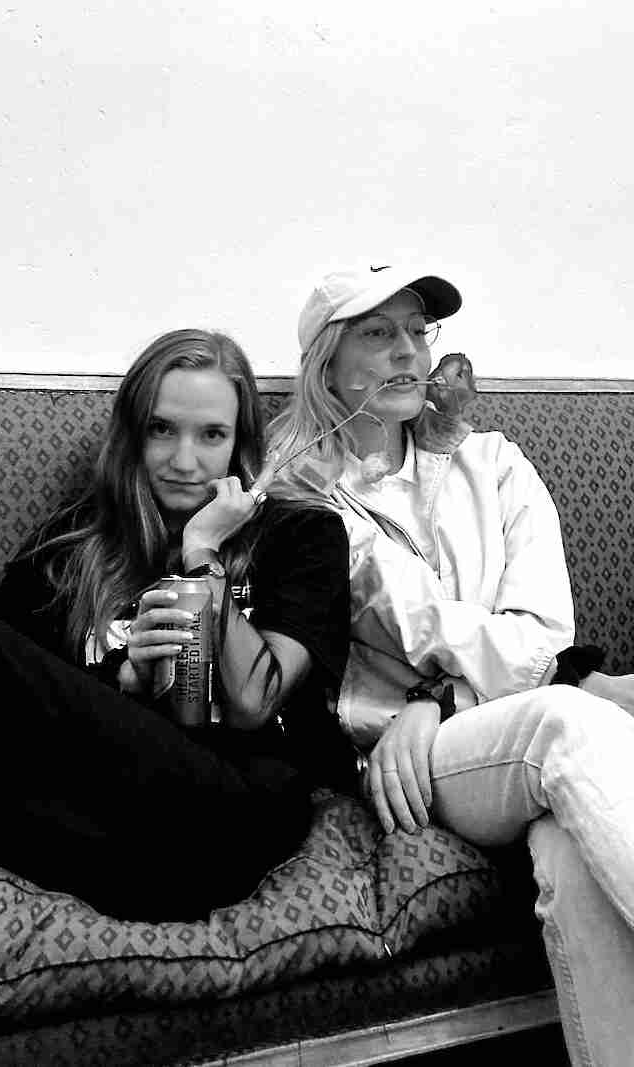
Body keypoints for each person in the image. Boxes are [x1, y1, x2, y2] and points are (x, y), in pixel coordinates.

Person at [0, 329, 354, 921]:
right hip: (88, 813)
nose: (184, 461)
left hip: (226, 815)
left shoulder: (300, 536)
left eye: (212, 435)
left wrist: (202, 551)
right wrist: (126, 678)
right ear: (132, 434)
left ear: (241, 443)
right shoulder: (70, 548)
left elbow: (256, 701)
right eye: (161, 429)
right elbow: (4, 702)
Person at [267, 264, 634, 1065]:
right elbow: (417, 617)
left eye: (416, 330)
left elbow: (542, 636)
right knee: (569, 718)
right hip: (408, 759)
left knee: (571, 857)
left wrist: (433, 696)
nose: (407, 351)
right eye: (377, 332)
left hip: (438, 725)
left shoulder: (495, 462)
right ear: (326, 361)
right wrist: (452, 693)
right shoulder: (307, 501)